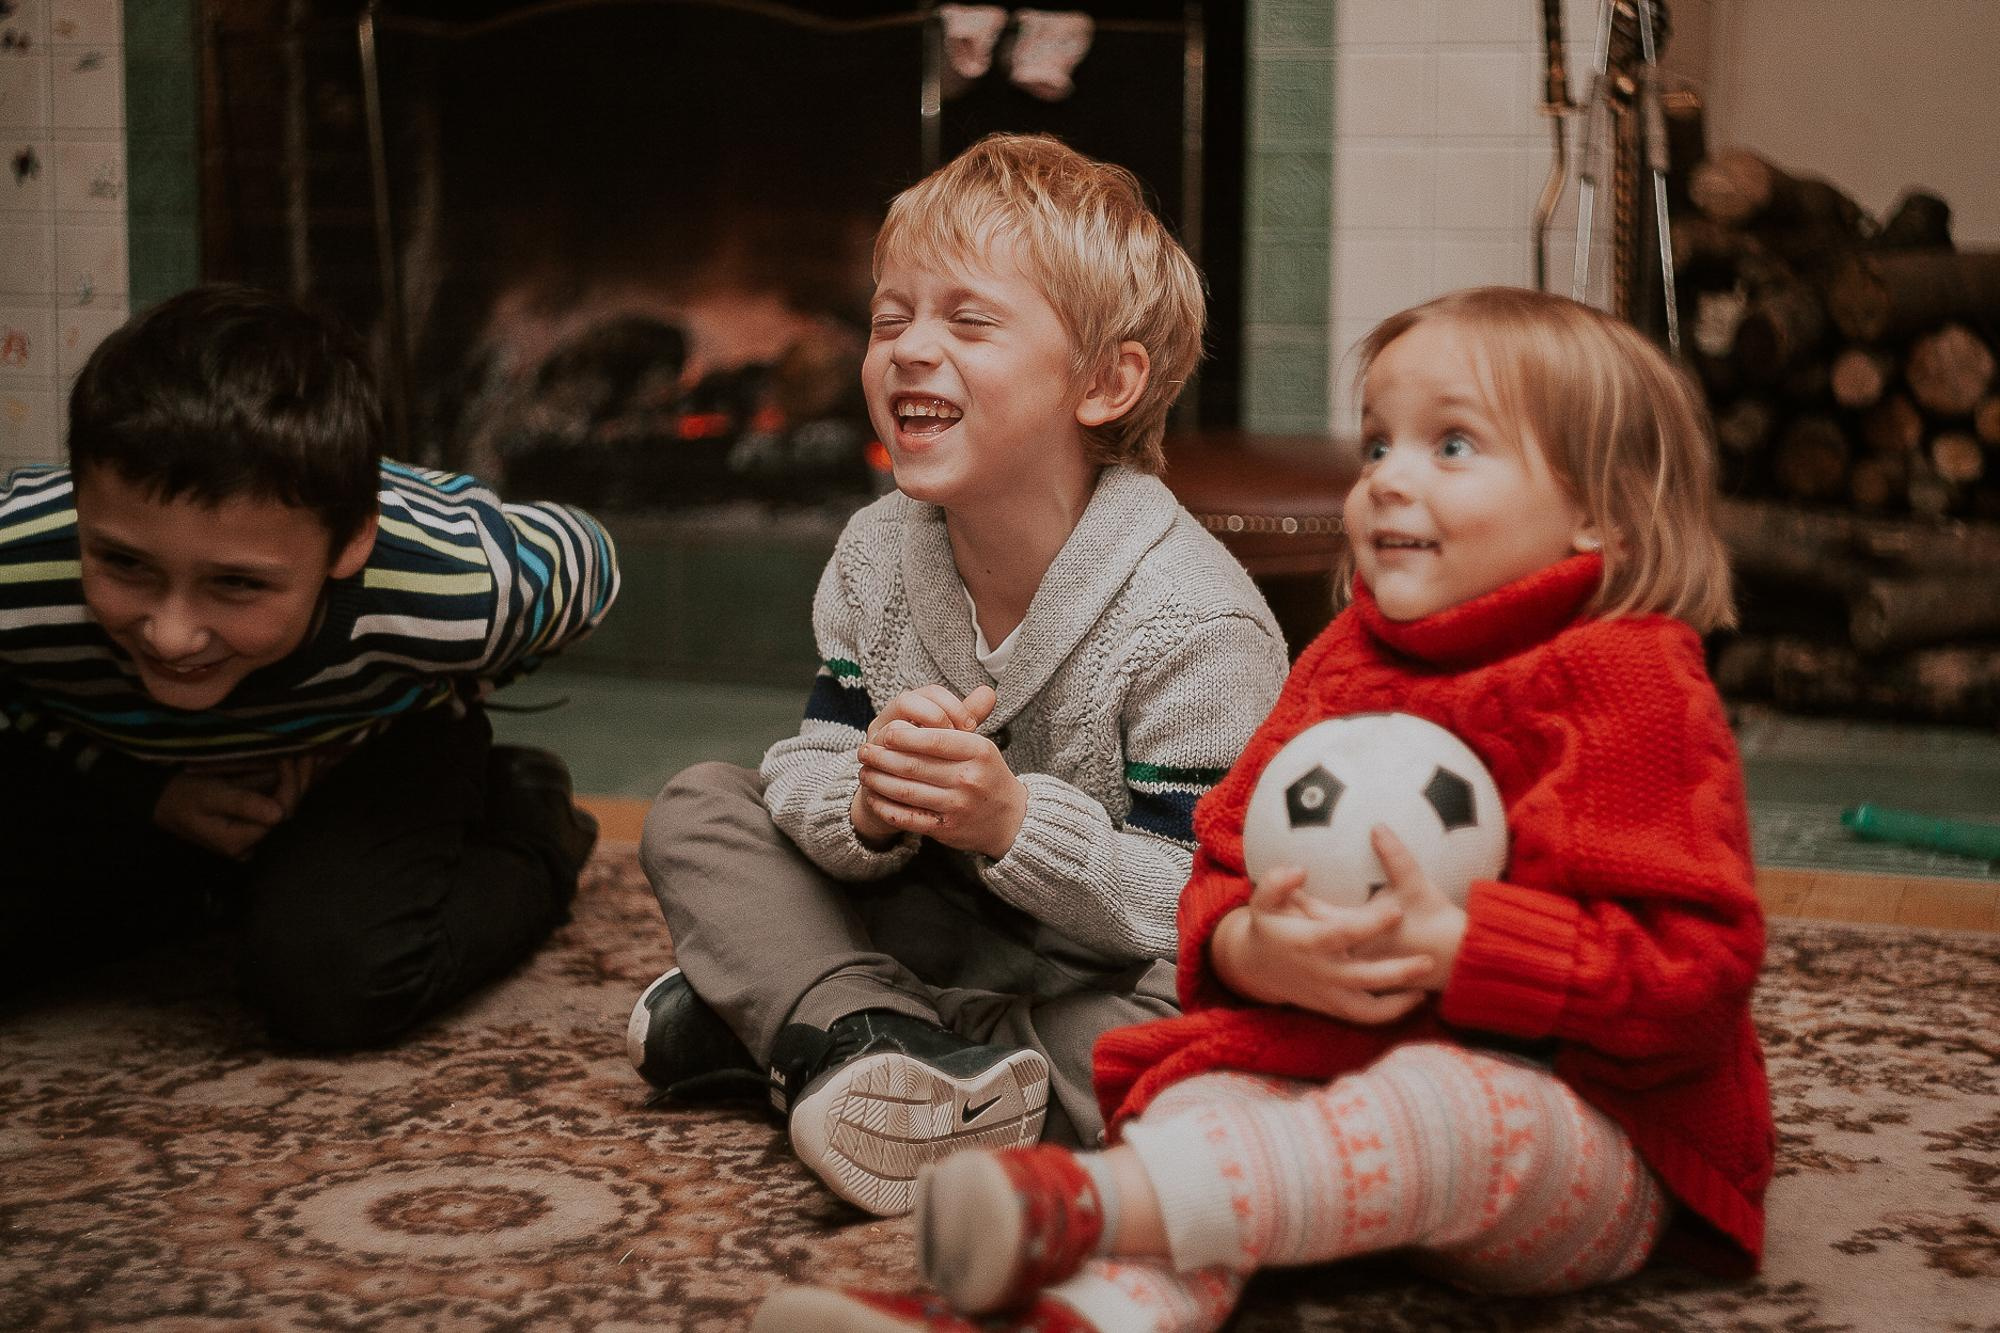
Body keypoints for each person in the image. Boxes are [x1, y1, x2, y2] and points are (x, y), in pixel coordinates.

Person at [753, 285, 1774, 1331]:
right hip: (1324, 1098)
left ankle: (1087, 1205)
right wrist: (1256, 951)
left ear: (1600, 509)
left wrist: (1467, 949)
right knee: (1194, 1104)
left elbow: (1695, 973)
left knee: (1451, 1103)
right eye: (1376, 445)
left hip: (1586, 1136)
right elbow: (1217, 879)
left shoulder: (1632, 684)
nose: (1388, 480)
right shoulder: (1344, 664)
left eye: (1452, 445)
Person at [630, 133, 1290, 1218]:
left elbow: (1200, 901)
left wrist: (1011, 825)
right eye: (889, 319)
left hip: (1098, 970)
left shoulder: (1195, 622)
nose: (909, 349)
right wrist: (866, 800)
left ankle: (817, 1029)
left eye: (968, 321)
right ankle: (872, 1043)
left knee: (1224, 1011)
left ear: (1105, 381)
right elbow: (811, 758)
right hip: (934, 917)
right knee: (701, 807)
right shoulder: (875, 553)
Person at [0, 284, 620, 1049]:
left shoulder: (458, 583)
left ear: (351, 540)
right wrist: (137, 788)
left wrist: (449, 687)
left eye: (236, 583)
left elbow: (592, 564)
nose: (171, 635)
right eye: (124, 564)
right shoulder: (18, 563)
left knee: (332, 980)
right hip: (107, 755)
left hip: (369, 745)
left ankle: (530, 816)